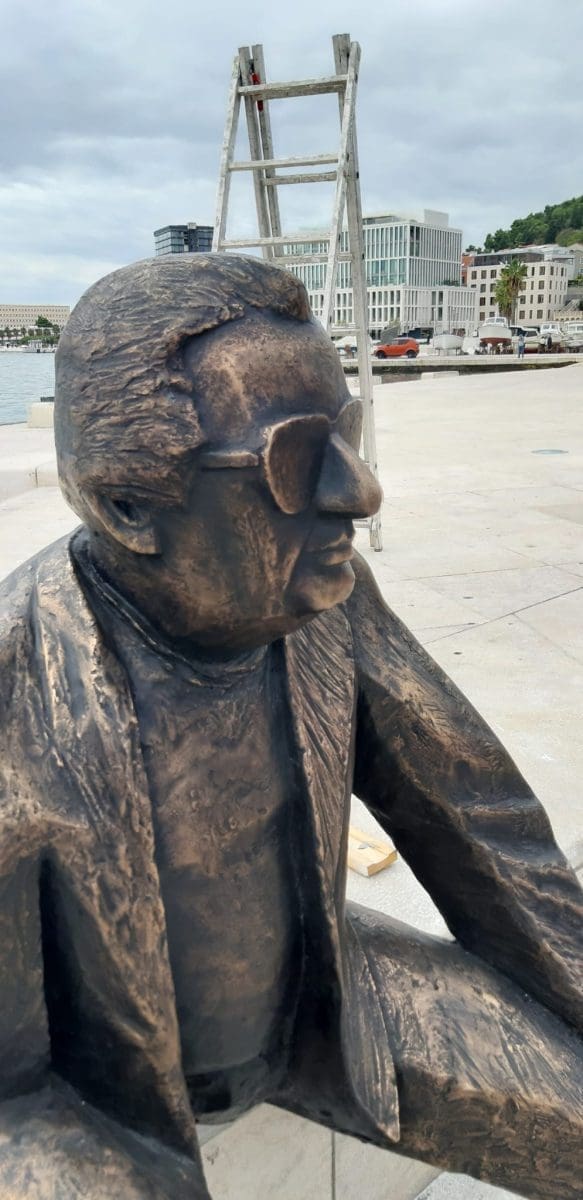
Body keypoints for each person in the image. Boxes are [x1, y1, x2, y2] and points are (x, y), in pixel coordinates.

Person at [0, 255, 581, 1200]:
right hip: (88, 1103)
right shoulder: (22, 684)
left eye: (345, 436)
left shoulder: (327, 604)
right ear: (127, 506)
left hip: (326, 1013)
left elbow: (482, 821)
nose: (359, 491)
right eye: (295, 457)